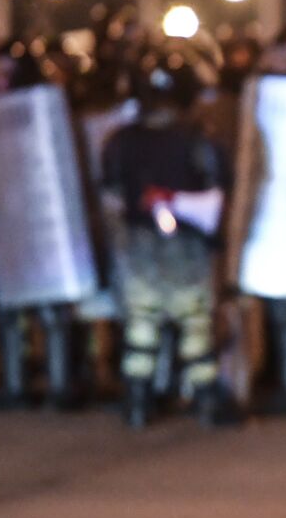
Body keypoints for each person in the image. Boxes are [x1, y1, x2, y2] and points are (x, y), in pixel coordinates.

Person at [101, 58, 239, 428]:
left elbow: (112, 198)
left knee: (141, 326)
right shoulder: (199, 138)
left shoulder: (121, 140)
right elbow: (219, 190)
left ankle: (137, 402)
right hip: (187, 246)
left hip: (139, 245)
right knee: (195, 326)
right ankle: (208, 402)